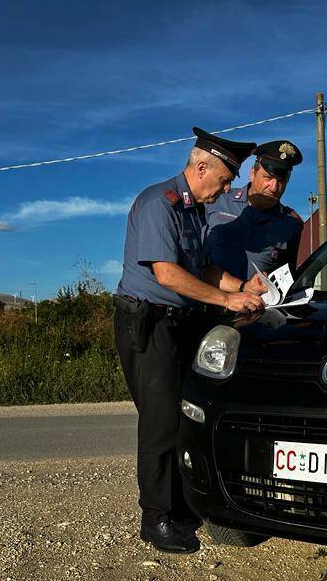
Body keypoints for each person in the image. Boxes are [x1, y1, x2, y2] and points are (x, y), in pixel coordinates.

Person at [114, 127, 267, 554]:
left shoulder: (193, 212)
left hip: (178, 323)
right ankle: (157, 518)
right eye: (223, 179)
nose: (227, 189)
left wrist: (247, 289)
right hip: (148, 323)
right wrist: (226, 300)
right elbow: (167, 273)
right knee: (161, 423)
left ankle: (181, 505)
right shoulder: (158, 204)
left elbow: (204, 270)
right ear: (201, 167)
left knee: (185, 417)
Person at [205, 140, 304, 280]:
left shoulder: (291, 223)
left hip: (259, 301)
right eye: (268, 177)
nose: (274, 187)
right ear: (252, 173)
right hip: (209, 298)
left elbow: (287, 276)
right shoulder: (216, 200)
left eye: (281, 181)